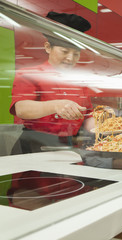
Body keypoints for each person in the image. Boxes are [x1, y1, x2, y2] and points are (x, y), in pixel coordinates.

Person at [9, 12, 94, 154]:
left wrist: (107, 127)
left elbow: (88, 116)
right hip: (34, 145)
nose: (70, 58)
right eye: (64, 51)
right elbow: (22, 109)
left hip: (70, 144)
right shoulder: (29, 74)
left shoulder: (80, 82)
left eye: (76, 54)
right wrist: (57, 105)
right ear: (48, 47)